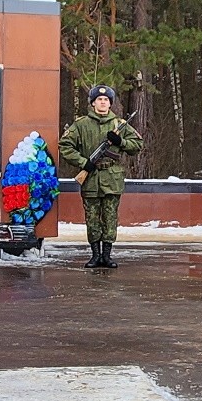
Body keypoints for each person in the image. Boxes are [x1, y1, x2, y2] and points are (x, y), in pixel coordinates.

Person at [59, 84, 144, 268]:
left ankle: (107, 255)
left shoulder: (119, 124)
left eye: (106, 100)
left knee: (110, 217)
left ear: (110, 103)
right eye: (99, 99)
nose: (103, 102)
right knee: (92, 218)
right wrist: (83, 163)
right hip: (90, 178)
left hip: (112, 179)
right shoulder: (81, 124)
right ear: (93, 103)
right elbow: (65, 146)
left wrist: (120, 141)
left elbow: (137, 145)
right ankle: (95, 255)